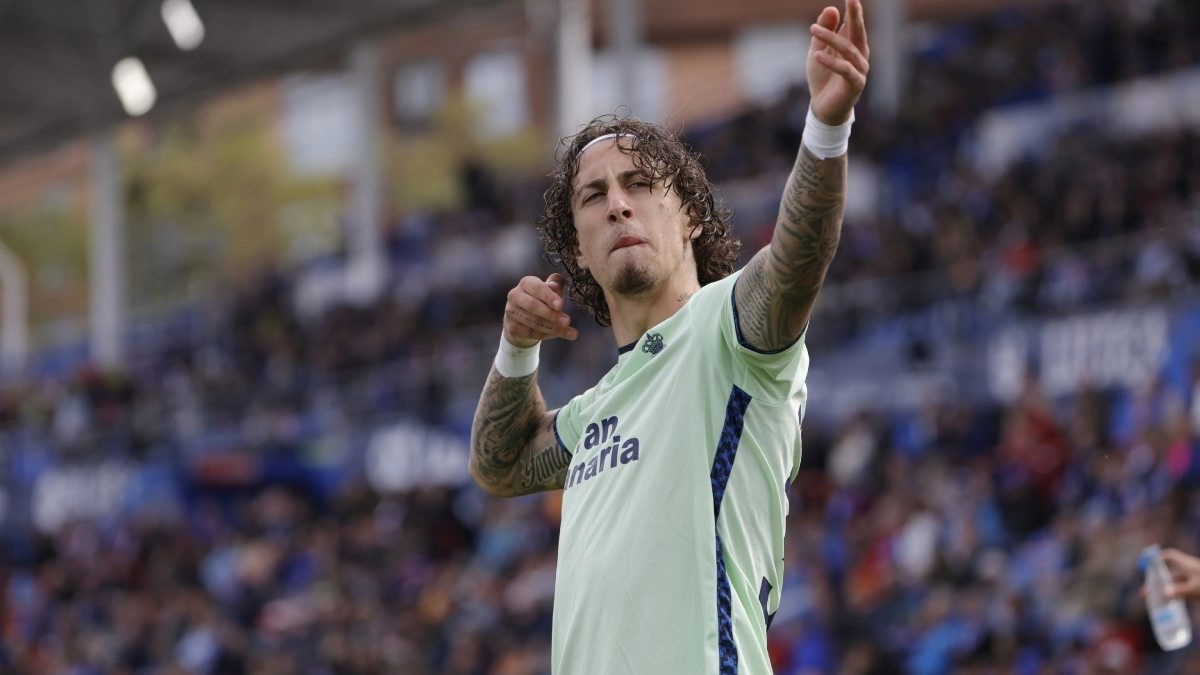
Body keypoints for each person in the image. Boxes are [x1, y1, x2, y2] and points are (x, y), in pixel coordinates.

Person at [469, 1, 869, 672]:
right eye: (593, 196)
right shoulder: (596, 408)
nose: (618, 202)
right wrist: (516, 347)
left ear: (690, 217)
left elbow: (797, 260)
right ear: (579, 247)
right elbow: (497, 465)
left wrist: (827, 125)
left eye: (639, 184)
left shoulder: (729, 334)